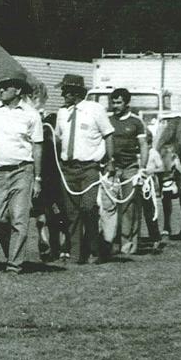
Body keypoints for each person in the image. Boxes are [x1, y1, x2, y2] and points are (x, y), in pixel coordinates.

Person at [0, 76, 43, 273]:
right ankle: (11, 250)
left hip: (23, 170)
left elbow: (37, 147)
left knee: (19, 218)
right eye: (0, 86)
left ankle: (14, 264)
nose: (1, 90)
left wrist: (37, 178)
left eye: (6, 87)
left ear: (18, 91)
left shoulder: (31, 114)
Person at [54, 74, 114, 265]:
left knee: (88, 207)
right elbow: (58, 138)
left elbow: (108, 135)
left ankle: (95, 249)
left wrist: (110, 161)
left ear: (77, 92)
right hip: (67, 169)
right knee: (71, 213)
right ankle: (76, 254)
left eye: (66, 91)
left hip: (89, 167)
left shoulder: (95, 109)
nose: (63, 94)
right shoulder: (62, 113)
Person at [103, 88, 154, 256]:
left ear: (126, 103)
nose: (115, 106)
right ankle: (109, 242)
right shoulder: (107, 120)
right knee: (109, 206)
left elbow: (144, 146)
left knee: (129, 207)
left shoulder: (136, 122)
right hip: (111, 168)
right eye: (113, 102)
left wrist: (142, 169)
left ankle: (129, 243)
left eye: (118, 102)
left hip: (130, 168)